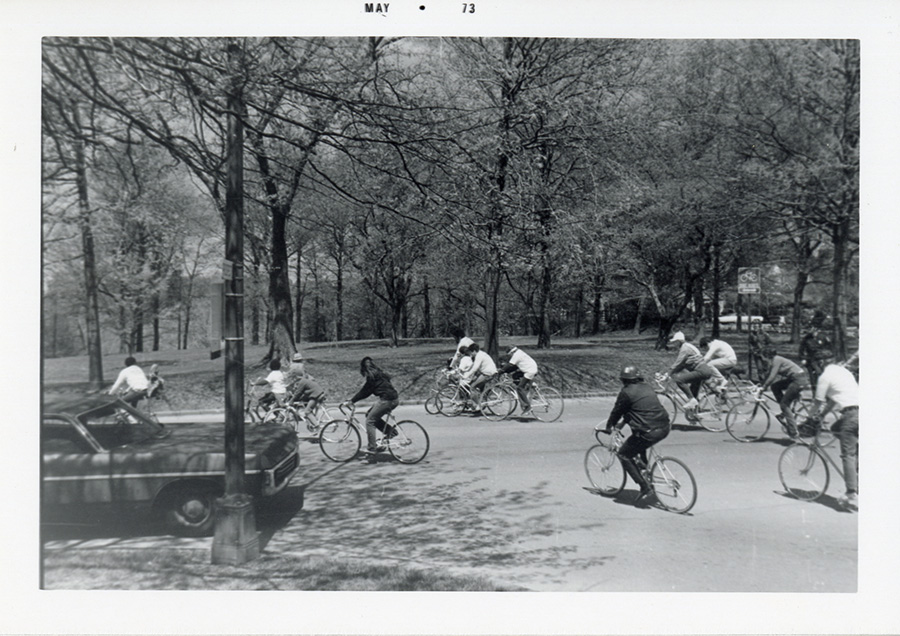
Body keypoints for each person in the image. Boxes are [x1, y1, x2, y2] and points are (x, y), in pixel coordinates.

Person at [602, 365, 672, 506]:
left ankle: (644, 486)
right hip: (664, 426)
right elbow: (637, 409)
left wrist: (609, 426)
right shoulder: (647, 387)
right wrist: (623, 423)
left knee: (623, 454)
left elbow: (617, 411)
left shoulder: (626, 392)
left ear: (624, 380)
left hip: (648, 431)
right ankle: (644, 464)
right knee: (638, 438)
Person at [807, 350, 859, 509]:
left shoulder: (824, 377)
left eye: (814, 365)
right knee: (836, 428)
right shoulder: (842, 371)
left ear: (820, 362)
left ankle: (851, 492)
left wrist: (808, 417)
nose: (814, 368)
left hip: (851, 415)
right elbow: (832, 400)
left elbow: (817, 401)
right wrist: (822, 415)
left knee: (847, 454)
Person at [343, 357, 400, 460]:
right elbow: (367, 391)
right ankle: (390, 432)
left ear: (364, 369)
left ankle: (372, 450)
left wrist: (352, 401)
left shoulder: (372, 377)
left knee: (370, 421)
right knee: (369, 414)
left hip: (386, 400)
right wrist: (353, 399)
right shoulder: (380, 374)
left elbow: (365, 392)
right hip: (394, 399)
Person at [759, 347, 809, 438]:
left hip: (798, 380)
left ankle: (793, 431)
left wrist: (764, 387)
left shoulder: (776, 360)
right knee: (775, 387)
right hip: (794, 378)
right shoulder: (773, 361)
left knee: (784, 404)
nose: (762, 359)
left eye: (762, 357)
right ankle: (784, 413)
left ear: (767, 356)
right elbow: (768, 375)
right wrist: (760, 384)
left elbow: (772, 376)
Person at [667, 331, 715, 411]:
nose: (674, 344)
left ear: (679, 341)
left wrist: (669, 373)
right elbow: (682, 365)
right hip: (703, 370)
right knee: (692, 391)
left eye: (675, 342)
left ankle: (692, 400)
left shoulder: (685, 349)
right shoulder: (687, 346)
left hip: (701, 371)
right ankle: (695, 412)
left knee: (679, 380)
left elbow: (678, 363)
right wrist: (670, 373)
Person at [500, 345, 538, 417]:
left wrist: (501, 370)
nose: (510, 356)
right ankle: (524, 392)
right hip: (531, 369)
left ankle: (527, 407)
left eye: (509, 355)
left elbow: (510, 364)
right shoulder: (519, 352)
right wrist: (506, 371)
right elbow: (514, 367)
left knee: (519, 388)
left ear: (511, 352)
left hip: (529, 371)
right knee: (515, 376)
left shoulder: (516, 355)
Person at [799, 310, 832, 387]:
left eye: (813, 327)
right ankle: (815, 395)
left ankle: (824, 395)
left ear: (817, 329)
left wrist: (827, 357)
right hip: (811, 360)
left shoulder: (823, 337)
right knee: (813, 378)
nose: (810, 329)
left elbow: (829, 348)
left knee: (824, 377)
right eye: (810, 327)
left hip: (823, 359)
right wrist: (803, 358)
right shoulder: (807, 338)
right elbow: (801, 349)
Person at [461, 342, 498, 409]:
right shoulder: (482, 354)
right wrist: (467, 372)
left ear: (474, 351)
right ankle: (481, 401)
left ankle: (479, 405)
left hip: (487, 374)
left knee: (472, 387)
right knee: (478, 387)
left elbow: (475, 368)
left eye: (471, 352)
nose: (471, 354)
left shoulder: (479, 356)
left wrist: (466, 376)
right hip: (490, 372)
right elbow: (473, 367)